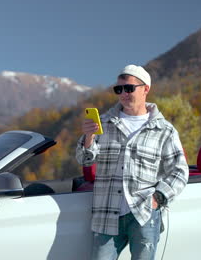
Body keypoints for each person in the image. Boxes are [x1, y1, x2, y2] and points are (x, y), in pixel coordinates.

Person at [76, 65, 189, 260]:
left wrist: (158, 199)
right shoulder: (103, 123)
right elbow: (84, 160)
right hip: (106, 215)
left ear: (145, 89)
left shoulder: (164, 130)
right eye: (118, 89)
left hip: (144, 215)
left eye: (129, 88)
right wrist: (89, 137)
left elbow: (180, 172)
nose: (123, 94)